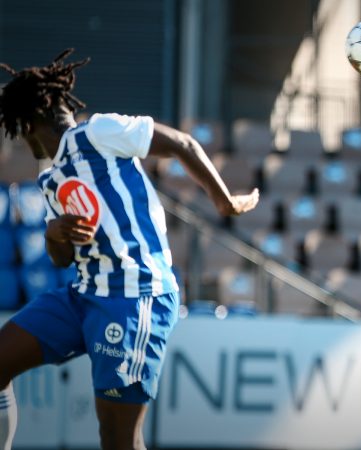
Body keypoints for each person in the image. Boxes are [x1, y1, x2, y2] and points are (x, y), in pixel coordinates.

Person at [0, 49, 259, 449]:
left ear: (34, 117)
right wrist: (55, 236)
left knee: (118, 438)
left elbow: (182, 144)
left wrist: (224, 202)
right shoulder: (50, 177)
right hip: (83, 294)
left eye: (17, 125)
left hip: (135, 297)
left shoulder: (98, 132)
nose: (16, 134)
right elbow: (63, 259)